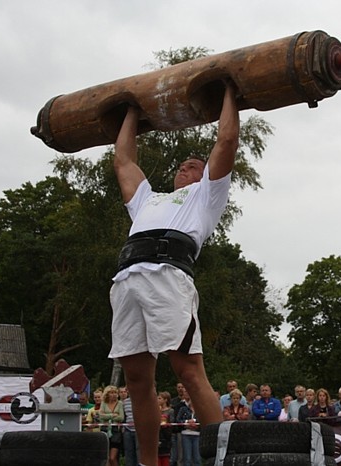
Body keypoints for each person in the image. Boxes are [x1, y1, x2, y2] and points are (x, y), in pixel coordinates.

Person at [109, 82, 239, 466]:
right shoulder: (150, 199)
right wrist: (133, 110)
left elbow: (226, 141)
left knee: (188, 370)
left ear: (204, 176)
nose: (185, 169)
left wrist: (231, 90)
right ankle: (149, 463)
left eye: (193, 166)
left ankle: (223, 459)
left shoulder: (206, 196)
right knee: (136, 380)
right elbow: (123, 162)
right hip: (128, 279)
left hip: (169, 276)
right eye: (181, 166)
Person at [100, 385, 125, 466]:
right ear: (107, 394)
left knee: (112, 458)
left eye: (115, 393)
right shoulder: (104, 403)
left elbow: (121, 417)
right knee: (106, 458)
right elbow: (101, 416)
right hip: (105, 430)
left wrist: (107, 415)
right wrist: (113, 415)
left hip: (115, 432)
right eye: (111, 393)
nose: (114, 394)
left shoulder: (119, 403)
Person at [176, 388, 200, 466]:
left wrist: (195, 423)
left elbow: (202, 420)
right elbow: (178, 420)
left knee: (197, 458)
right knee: (187, 458)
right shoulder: (183, 409)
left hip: (197, 435)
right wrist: (187, 422)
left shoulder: (200, 410)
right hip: (186, 434)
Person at [122, 387, 139, 466]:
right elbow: (124, 416)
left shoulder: (141, 400)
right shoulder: (124, 402)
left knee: (139, 452)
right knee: (128, 452)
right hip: (128, 430)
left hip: (139, 430)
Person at [158, 391, 173, 466]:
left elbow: (172, 422)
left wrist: (165, 423)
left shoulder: (170, 411)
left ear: (165, 400)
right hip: (157, 435)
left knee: (165, 458)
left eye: (160, 398)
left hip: (166, 436)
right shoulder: (155, 410)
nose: (158, 400)